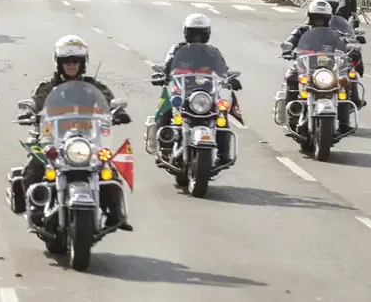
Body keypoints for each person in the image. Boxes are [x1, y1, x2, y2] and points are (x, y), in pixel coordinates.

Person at [18, 35, 133, 231]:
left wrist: (117, 112)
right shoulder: (48, 87)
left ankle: (115, 214)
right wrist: (31, 111)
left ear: (82, 63)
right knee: (35, 166)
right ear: (59, 62)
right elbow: (37, 101)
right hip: (52, 138)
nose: (71, 65)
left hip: (87, 139)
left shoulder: (93, 87)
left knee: (108, 170)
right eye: (67, 61)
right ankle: (35, 208)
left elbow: (107, 101)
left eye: (76, 61)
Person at [151, 14, 242, 163]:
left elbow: (222, 69)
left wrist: (231, 79)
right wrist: (161, 75)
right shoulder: (177, 49)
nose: (197, 36)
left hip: (207, 93)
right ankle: (163, 147)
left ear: (207, 33)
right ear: (187, 32)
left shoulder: (213, 52)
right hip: (181, 91)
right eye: (194, 32)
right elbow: (168, 66)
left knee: (221, 114)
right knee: (166, 107)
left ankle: (224, 153)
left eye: (201, 32)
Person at [281, 0, 356, 132]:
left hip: (328, 67)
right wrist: (288, 47)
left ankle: (344, 121)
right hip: (306, 65)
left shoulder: (334, 33)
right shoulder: (302, 30)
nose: (319, 21)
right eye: (316, 18)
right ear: (310, 17)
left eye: (322, 18)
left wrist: (352, 50)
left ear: (328, 19)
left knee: (344, 82)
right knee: (291, 77)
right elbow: (292, 39)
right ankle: (292, 115)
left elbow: (344, 43)